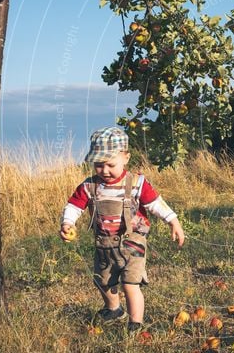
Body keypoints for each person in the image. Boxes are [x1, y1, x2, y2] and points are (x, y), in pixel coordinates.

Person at [60, 126, 185, 331]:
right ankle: (114, 308)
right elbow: (74, 206)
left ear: (126, 157)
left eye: (110, 164)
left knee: (130, 284)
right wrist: (67, 223)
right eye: (99, 165)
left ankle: (135, 323)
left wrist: (173, 221)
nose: (105, 170)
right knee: (103, 281)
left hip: (132, 243)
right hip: (103, 243)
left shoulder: (136, 183)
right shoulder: (89, 186)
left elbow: (155, 203)